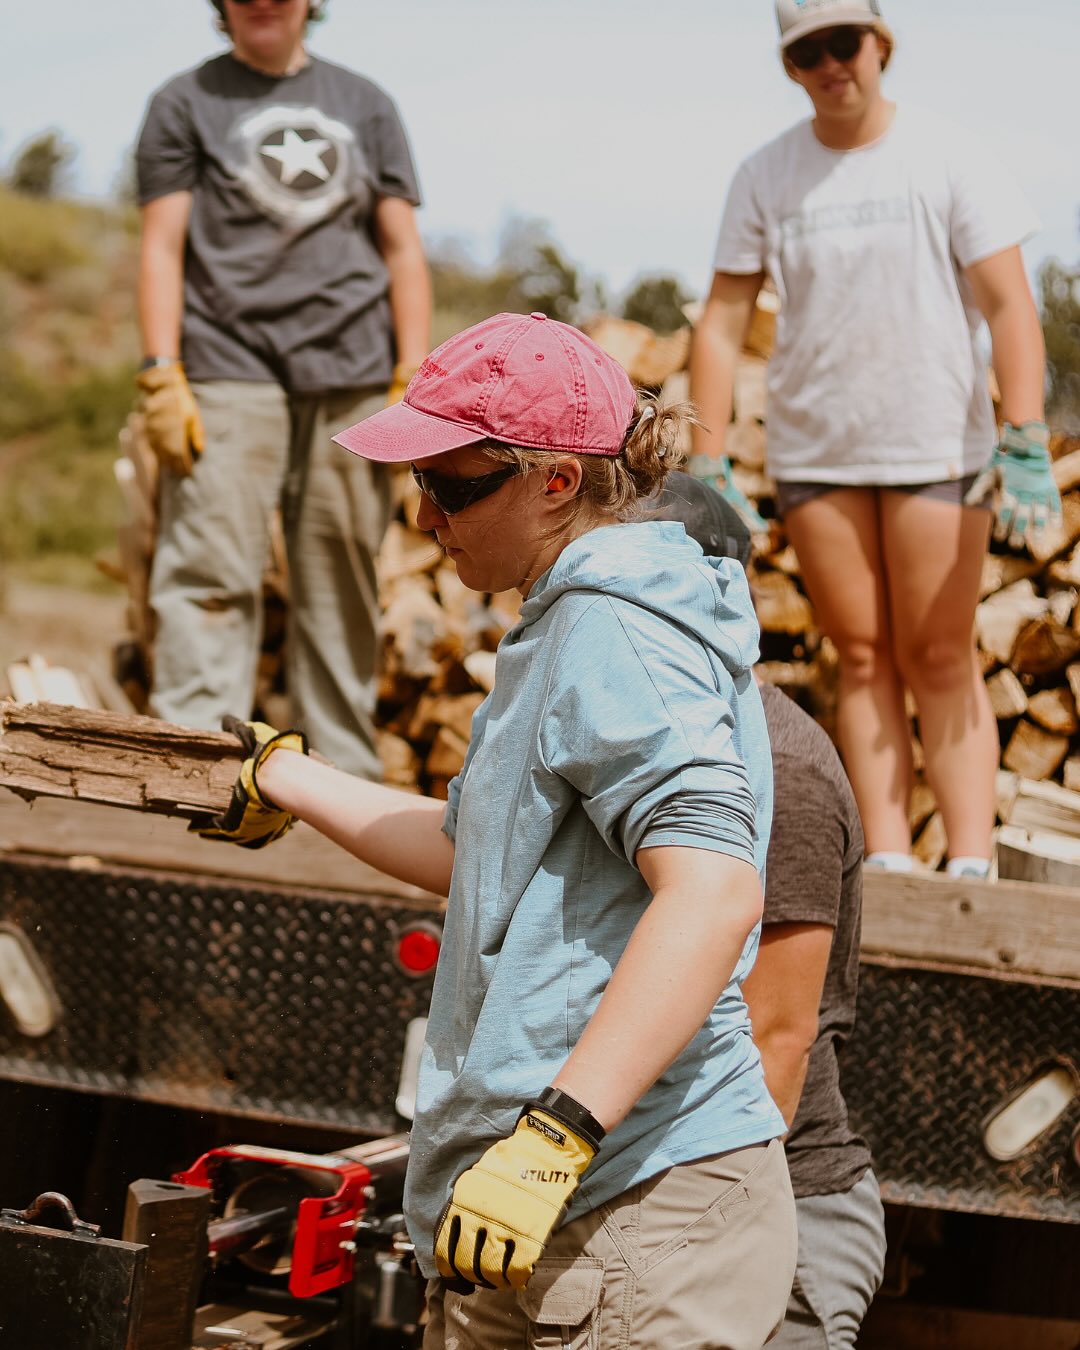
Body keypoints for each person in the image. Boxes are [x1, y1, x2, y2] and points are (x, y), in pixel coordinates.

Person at [198, 312, 797, 1349]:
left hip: (637, 1206)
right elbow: (474, 847)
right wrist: (288, 777)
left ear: (556, 482)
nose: (424, 517)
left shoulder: (616, 628)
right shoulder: (564, 619)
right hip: (550, 1210)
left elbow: (714, 889)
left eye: (452, 485)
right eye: (415, 483)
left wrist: (557, 1134)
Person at [689, 0, 1059, 879]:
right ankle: (888, 862)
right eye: (807, 50)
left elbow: (1010, 301)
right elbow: (720, 322)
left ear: (879, 44)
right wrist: (706, 457)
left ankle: (971, 864)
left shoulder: (948, 156)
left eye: (842, 42)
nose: (829, 63)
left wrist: (1025, 435)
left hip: (935, 445)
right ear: (790, 65)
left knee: (937, 650)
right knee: (858, 656)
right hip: (819, 451)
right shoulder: (766, 174)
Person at [134, 0, 430, 777]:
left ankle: (343, 774)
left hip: (356, 370)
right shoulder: (183, 102)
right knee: (209, 563)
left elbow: (401, 249)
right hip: (227, 364)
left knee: (341, 569)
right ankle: (193, 765)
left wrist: (412, 370)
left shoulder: (367, 104)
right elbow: (162, 248)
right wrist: (162, 371)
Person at [648, 474, 886, 1348]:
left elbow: (773, 1041)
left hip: (774, 1208)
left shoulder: (777, 770)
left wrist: (677, 1239)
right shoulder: (671, 737)